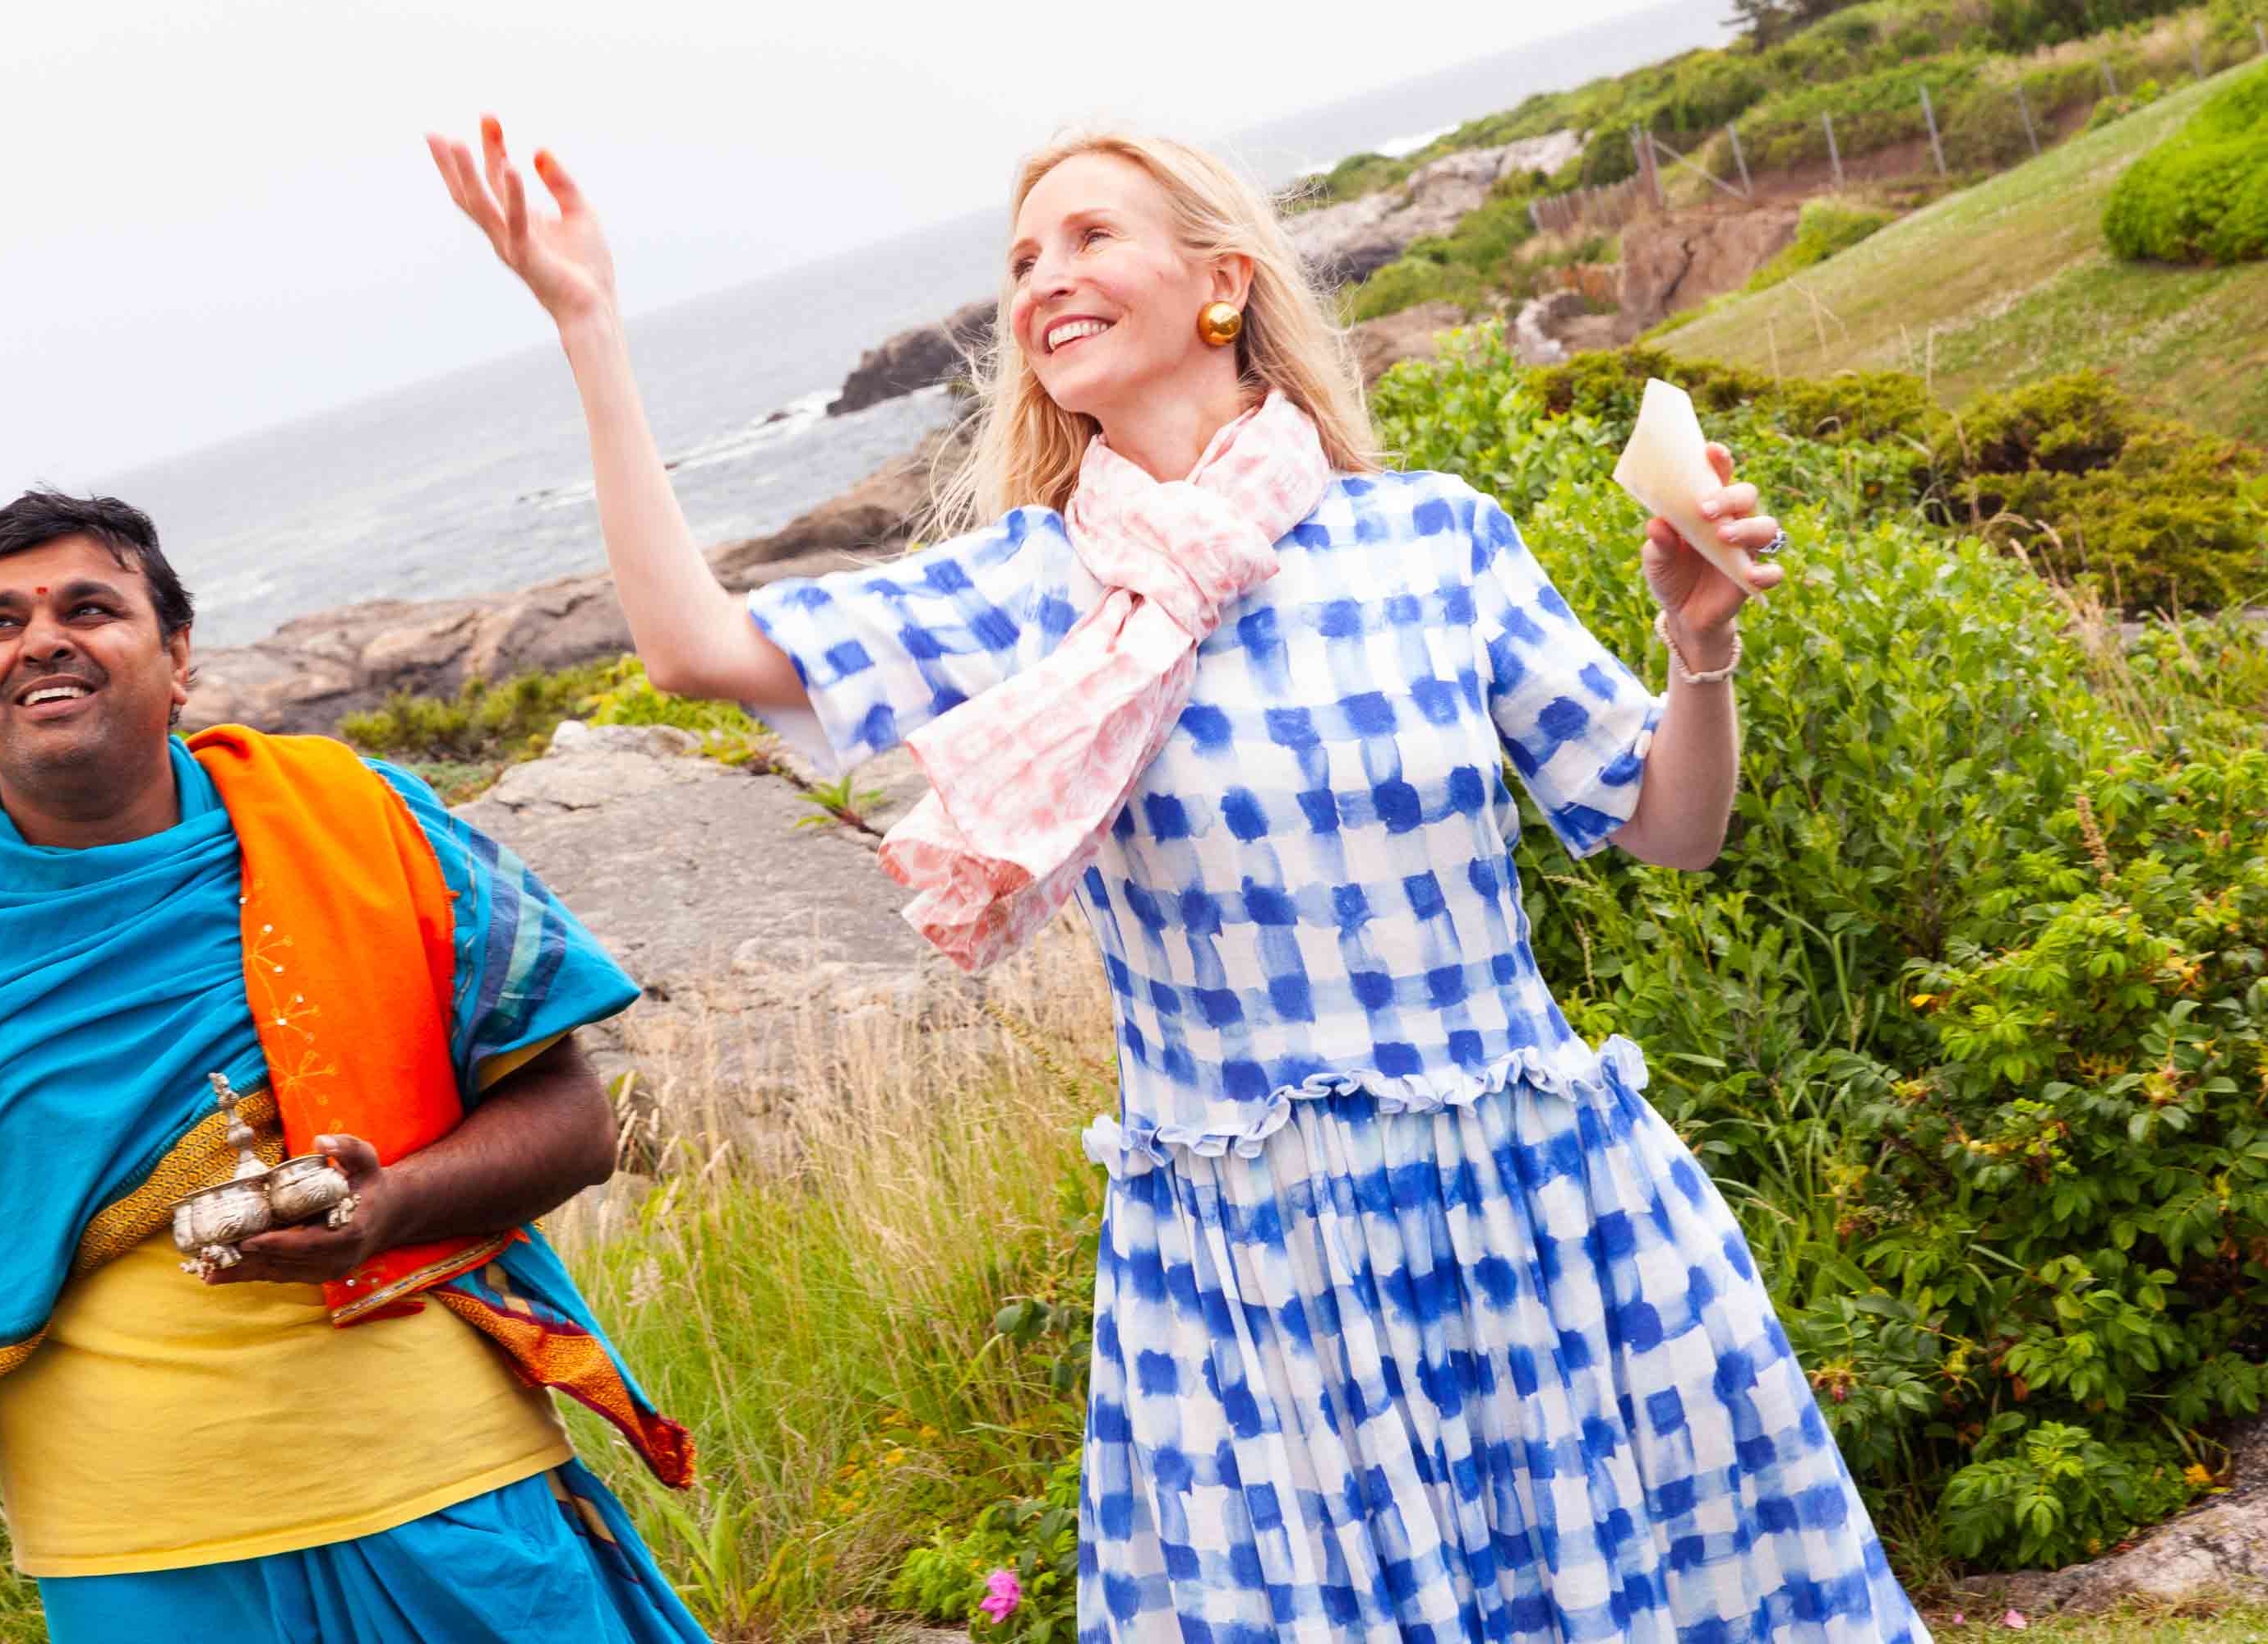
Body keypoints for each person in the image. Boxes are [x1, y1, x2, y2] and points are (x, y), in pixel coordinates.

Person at [432, 116, 1929, 1643]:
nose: (1042, 282)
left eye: (1087, 239)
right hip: (1255, 1279)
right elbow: (695, 651)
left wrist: (1702, 650)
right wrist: (590, 327)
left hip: (1541, 1203)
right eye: (1022, 260)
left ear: (1221, 285)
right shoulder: (1029, 591)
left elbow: (1668, 825)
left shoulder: (1432, 541)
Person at [0, 491, 709, 1644]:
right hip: (148, 1563)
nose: (42, 639)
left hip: (454, 1495)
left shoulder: (355, 820)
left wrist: (393, 1207)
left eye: (91, 606)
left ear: (177, 655)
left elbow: (576, 1122)